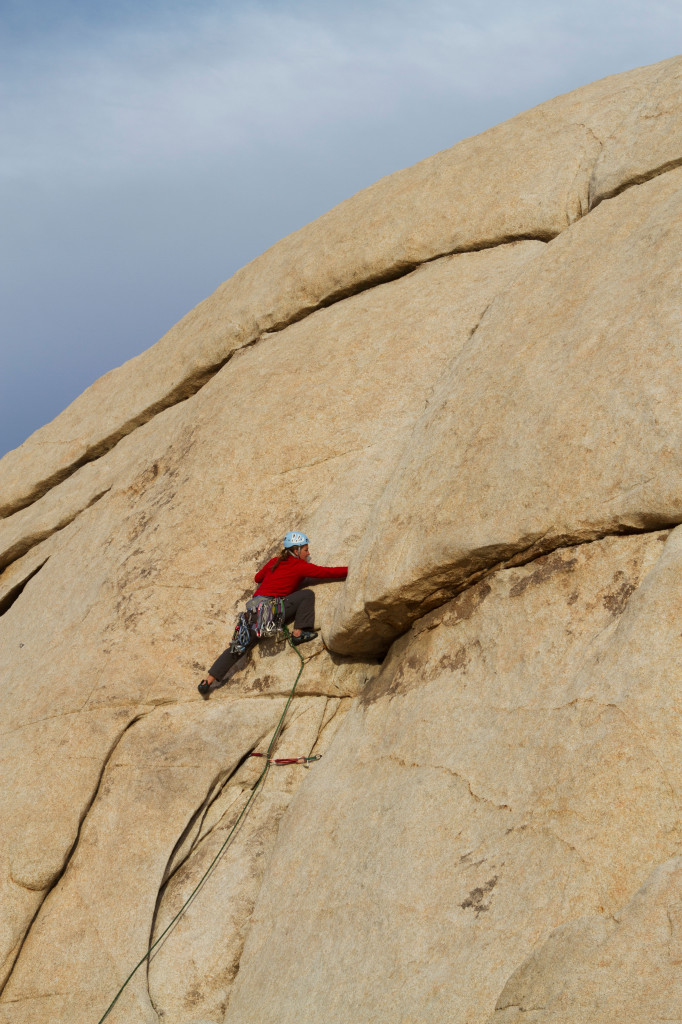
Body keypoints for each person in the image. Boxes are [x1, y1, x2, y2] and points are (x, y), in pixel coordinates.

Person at [198, 532, 347, 695]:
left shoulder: (274, 562)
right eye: (305, 550)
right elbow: (327, 572)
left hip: (253, 615)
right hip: (271, 614)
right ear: (296, 551)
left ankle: (208, 681)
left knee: (239, 646)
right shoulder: (299, 566)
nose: (308, 553)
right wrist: (351, 570)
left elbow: (257, 578)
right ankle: (298, 633)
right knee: (307, 594)